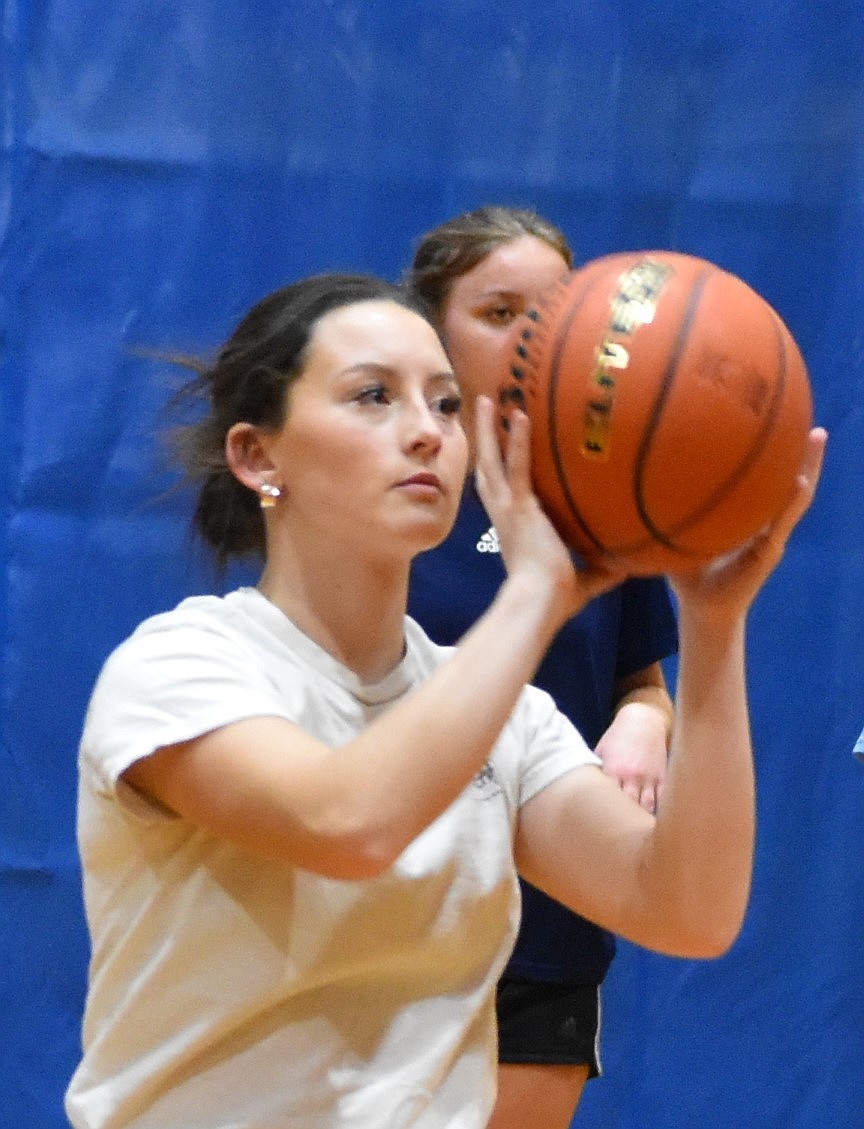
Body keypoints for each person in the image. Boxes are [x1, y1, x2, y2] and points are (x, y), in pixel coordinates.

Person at [65, 272, 824, 1129]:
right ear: (257, 456)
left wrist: (715, 626)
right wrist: (538, 592)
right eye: (373, 396)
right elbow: (348, 821)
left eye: (448, 404)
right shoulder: (180, 665)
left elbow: (689, 908)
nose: (426, 431)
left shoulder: (501, 712)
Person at [406, 206, 678, 1128]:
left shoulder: (600, 501)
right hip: (386, 928)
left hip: (545, 929)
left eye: (551, 312)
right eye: (497, 311)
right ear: (431, 333)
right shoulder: (384, 498)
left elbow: (640, 679)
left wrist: (645, 717)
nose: (528, 337)